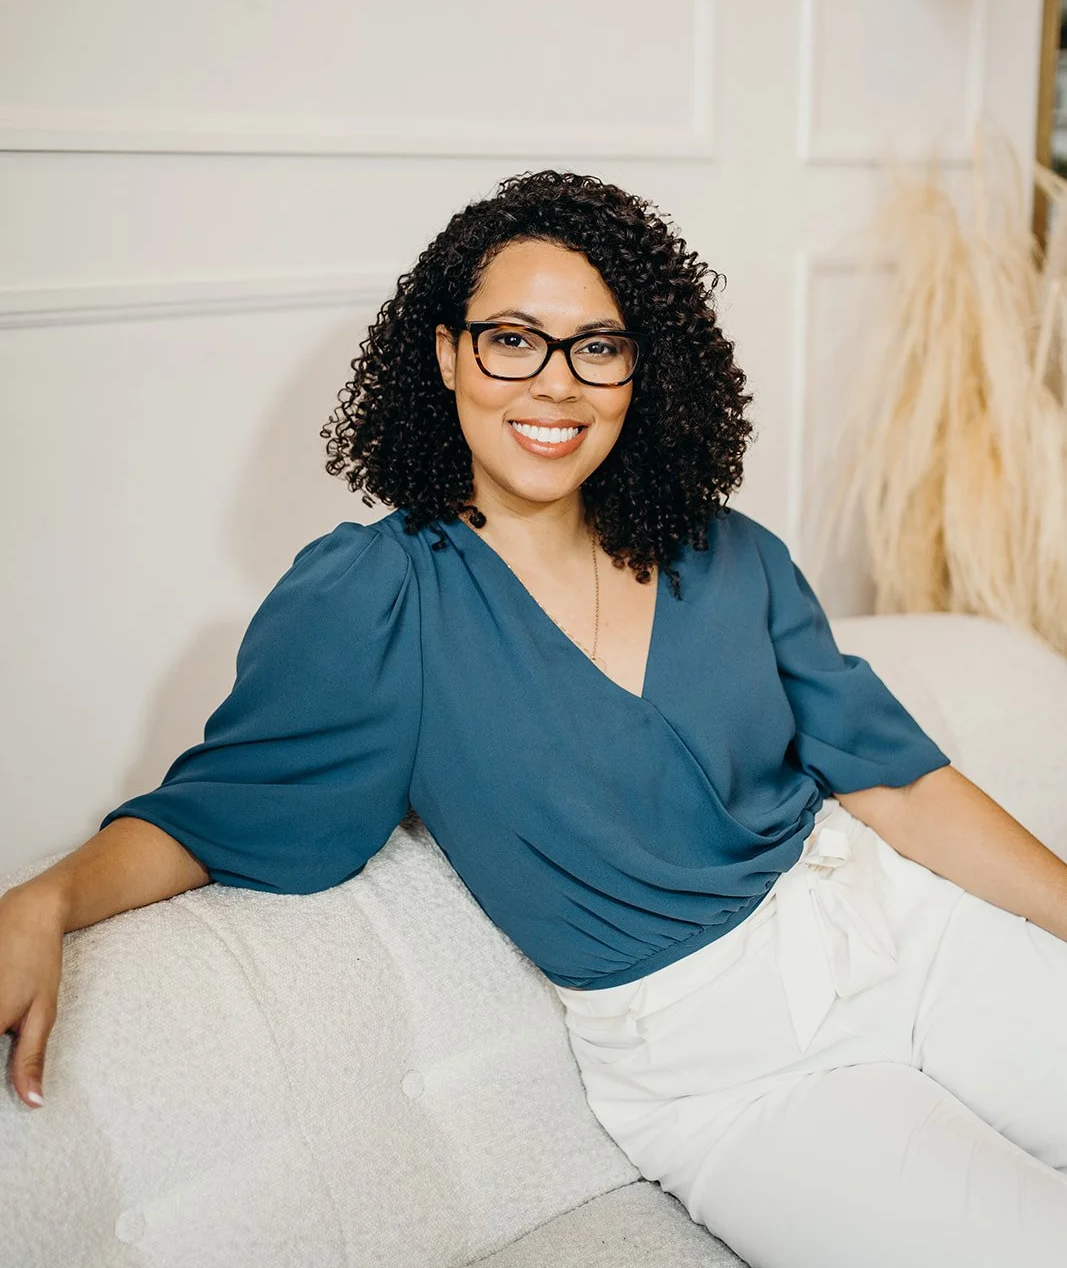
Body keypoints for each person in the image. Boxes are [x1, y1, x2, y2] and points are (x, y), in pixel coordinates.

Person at [3, 169, 1066, 1267]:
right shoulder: (378, 598)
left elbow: (896, 777)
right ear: (447, 354)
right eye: (512, 339)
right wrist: (47, 897)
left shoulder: (725, 550)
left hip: (913, 944)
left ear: (636, 370)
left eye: (595, 347)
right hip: (735, 1078)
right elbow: (223, 808)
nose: (554, 385)